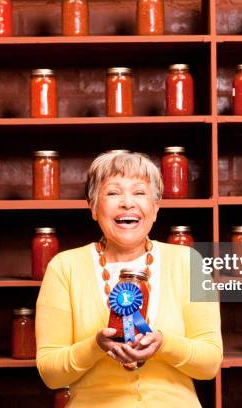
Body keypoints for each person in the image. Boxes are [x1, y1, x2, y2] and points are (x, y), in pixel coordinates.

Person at [35, 151, 222, 407]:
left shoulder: (190, 262)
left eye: (140, 192)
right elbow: (50, 373)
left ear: (155, 208)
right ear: (92, 207)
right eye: (113, 193)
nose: (127, 203)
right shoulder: (64, 267)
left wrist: (164, 344)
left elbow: (210, 363)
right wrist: (95, 347)